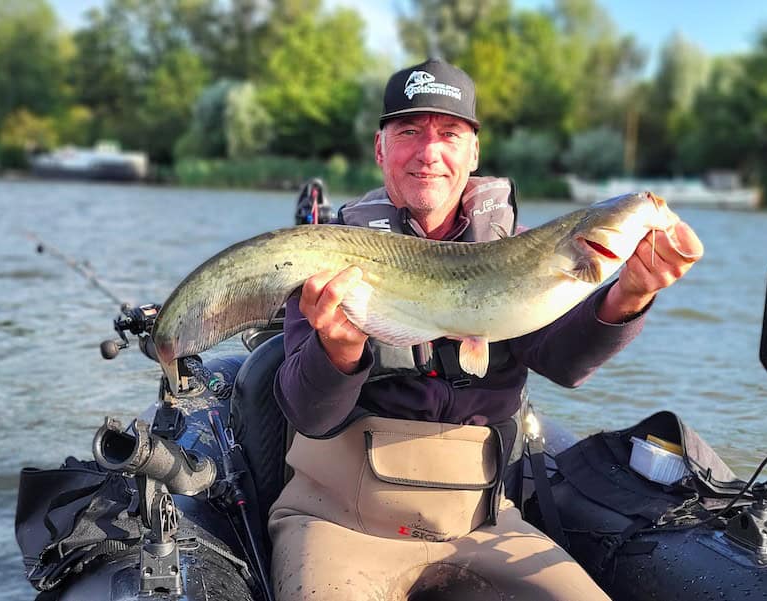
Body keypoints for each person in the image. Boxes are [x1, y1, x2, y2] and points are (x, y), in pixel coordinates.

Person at [265, 58, 703, 601]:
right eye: (409, 132)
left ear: (473, 152)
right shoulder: (329, 254)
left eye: (450, 134)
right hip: (339, 521)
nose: (430, 152)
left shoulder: (520, 250)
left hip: (484, 523)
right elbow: (308, 412)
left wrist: (630, 294)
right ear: (380, 149)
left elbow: (565, 363)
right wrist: (338, 351)